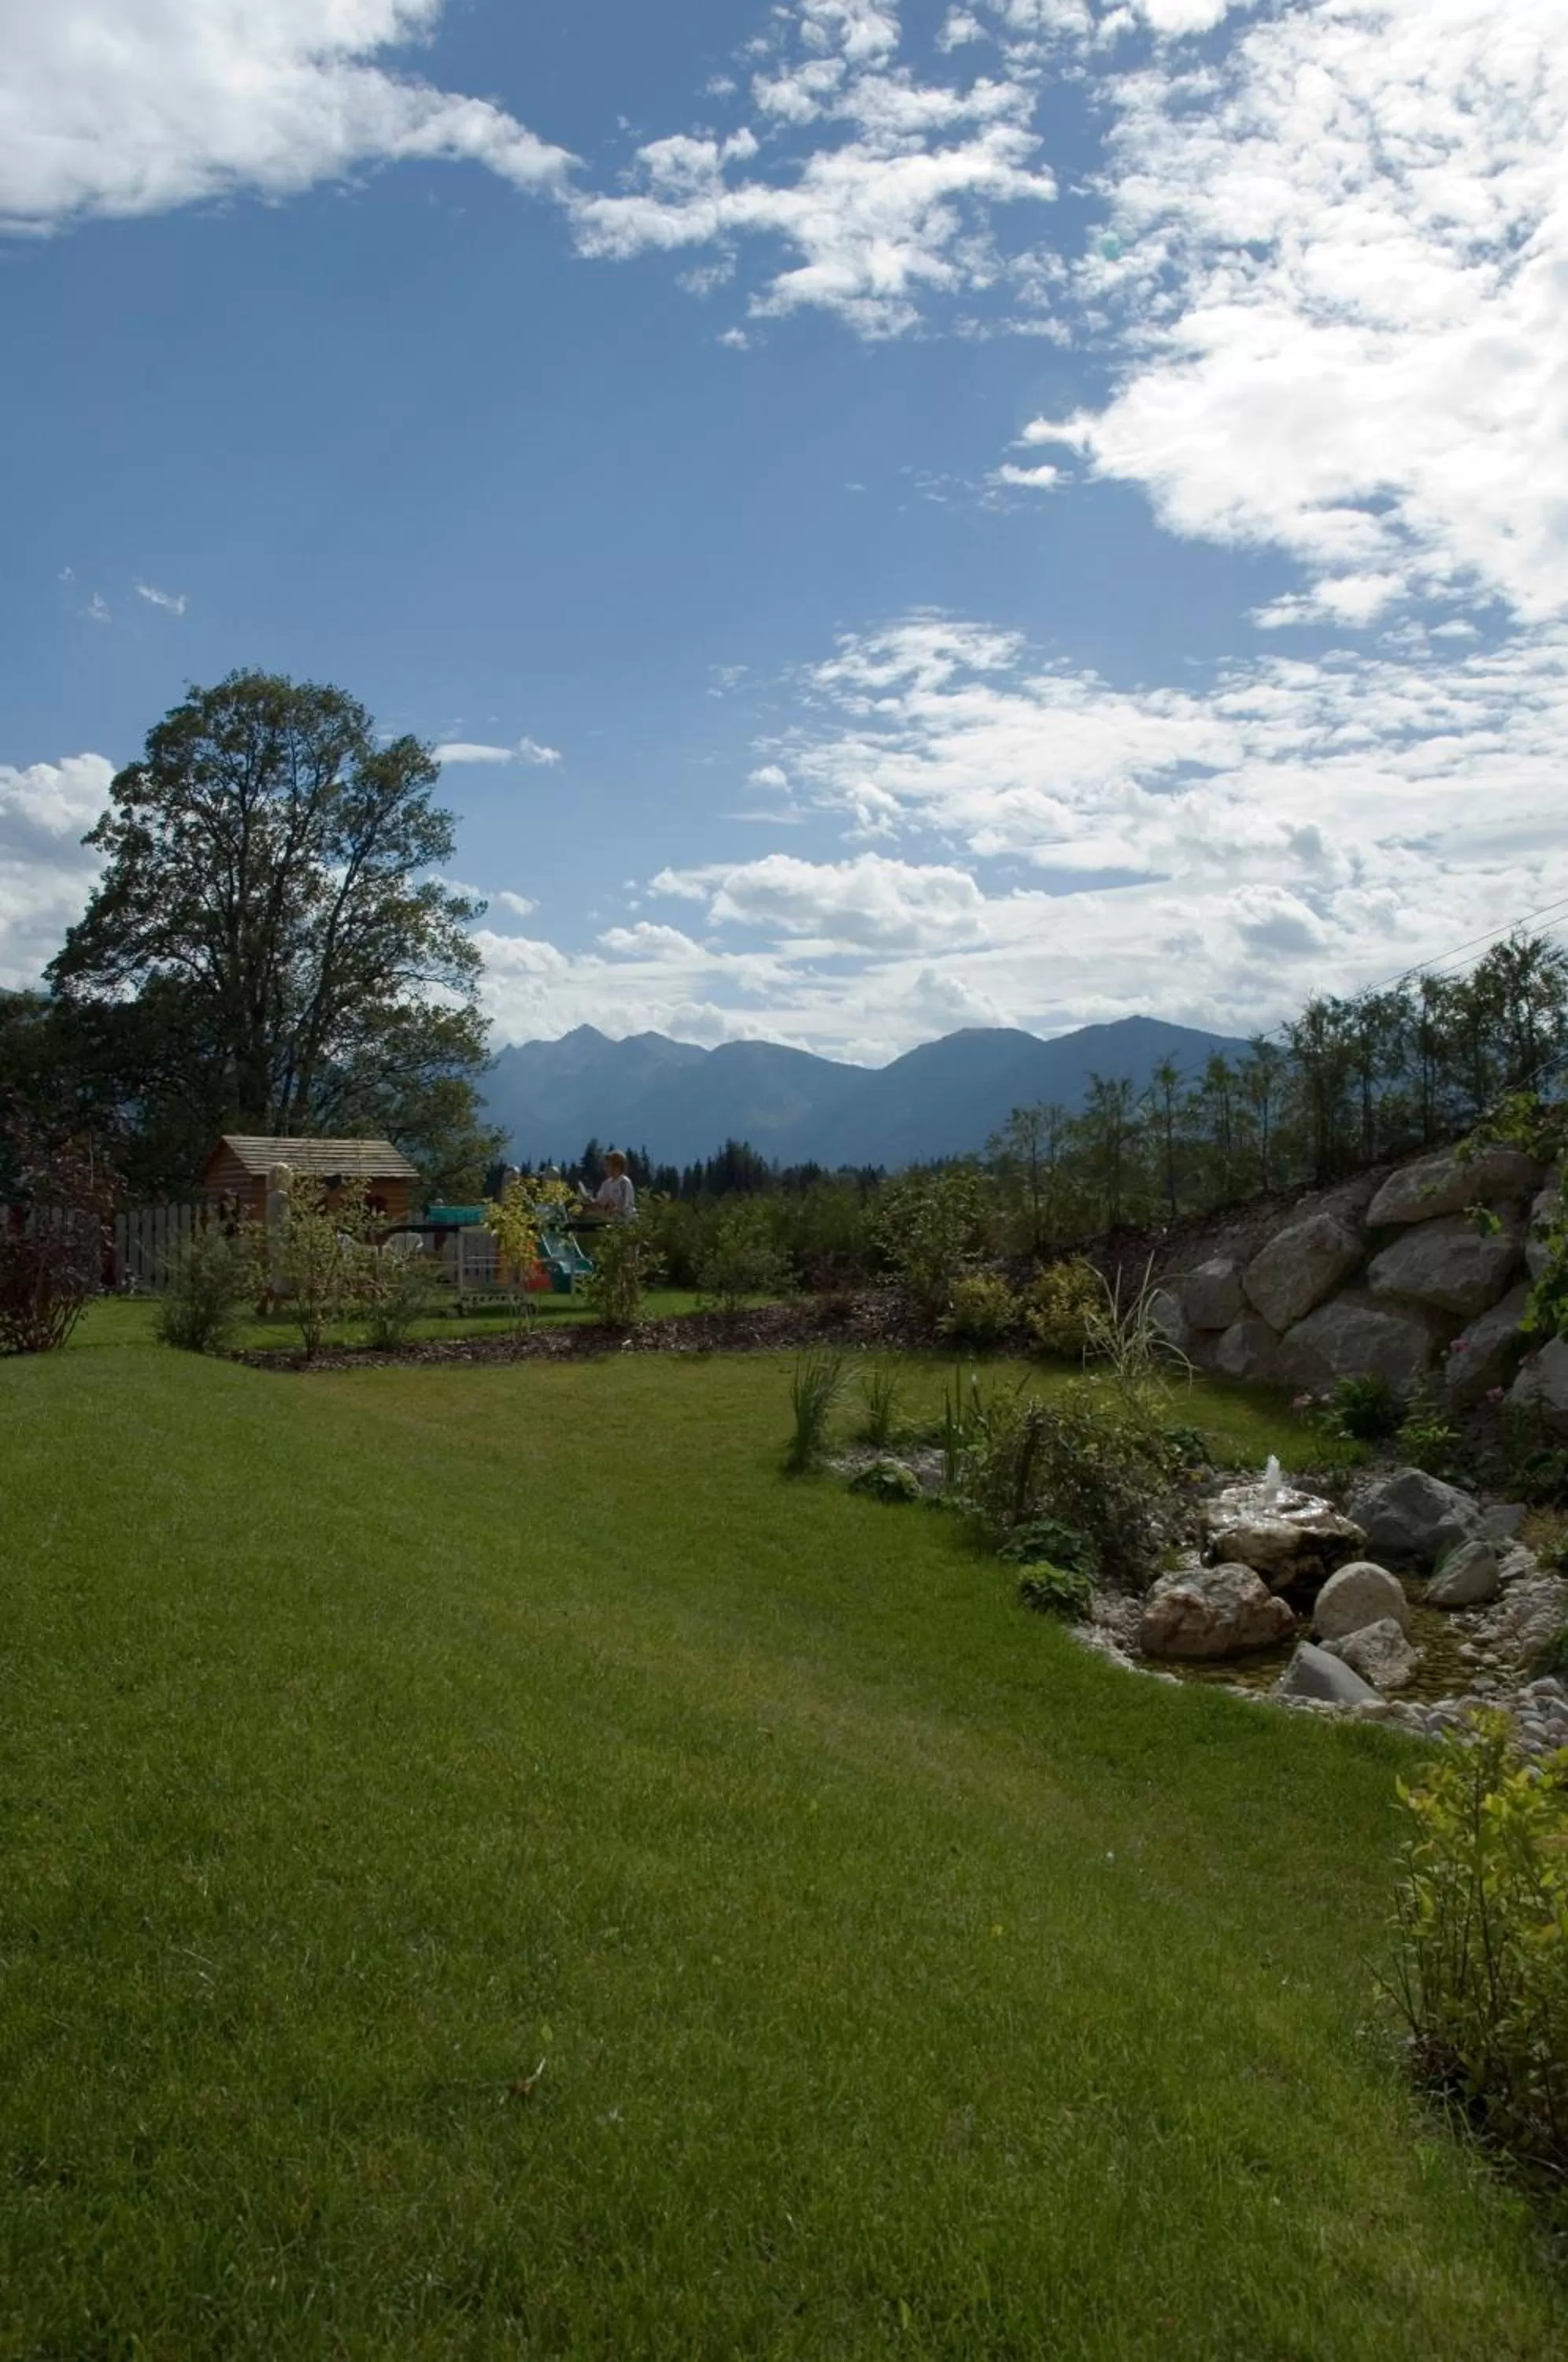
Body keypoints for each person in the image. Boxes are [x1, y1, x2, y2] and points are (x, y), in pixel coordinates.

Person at [590, 1150, 637, 1222]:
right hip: (611, 1220)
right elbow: (601, 1202)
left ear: (618, 1167)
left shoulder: (624, 1182)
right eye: (605, 1166)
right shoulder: (606, 1184)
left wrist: (611, 1208)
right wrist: (590, 1201)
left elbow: (624, 1205)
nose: (605, 1169)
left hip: (626, 1221)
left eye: (608, 1166)